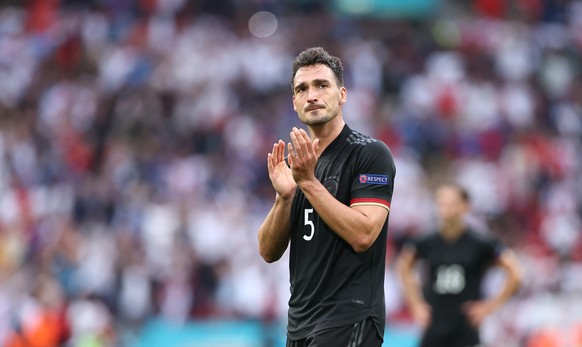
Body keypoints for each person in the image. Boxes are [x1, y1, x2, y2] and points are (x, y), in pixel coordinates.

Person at [257, 47, 396, 347]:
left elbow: (363, 233)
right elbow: (268, 251)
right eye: (302, 89)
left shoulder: (369, 154)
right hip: (300, 324)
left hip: (350, 318)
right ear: (294, 102)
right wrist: (285, 197)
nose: (312, 95)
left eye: (322, 85)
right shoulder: (302, 164)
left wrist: (308, 183)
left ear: (342, 94)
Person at [396, 183, 522, 347]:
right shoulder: (425, 241)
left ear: (465, 206)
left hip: (466, 328)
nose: (446, 209)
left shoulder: (481, 242)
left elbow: (515, 271)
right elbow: (404, 265)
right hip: (434, 326)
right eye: (442, 203)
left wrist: (490, 306)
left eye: (452, 203)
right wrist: (415, 304)